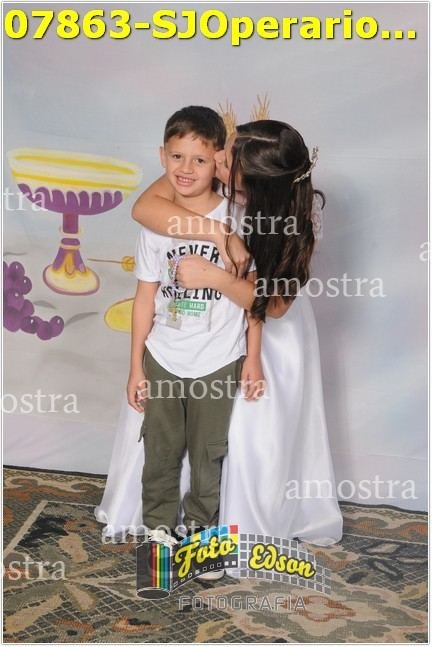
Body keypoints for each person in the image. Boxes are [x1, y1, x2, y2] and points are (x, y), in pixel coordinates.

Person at [95, 117, 343, 547]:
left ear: (255, 185)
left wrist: (217, 278)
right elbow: (145, 209)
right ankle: (161, 519)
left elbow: (274, 307)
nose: (216, 160)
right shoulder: (209, 170)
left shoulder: (296, 219)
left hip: (264, 324)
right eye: (224, 151)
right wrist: (219, 233)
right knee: (167, 434)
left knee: (241, 435)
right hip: (196, 326)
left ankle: (227, 524)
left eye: (225, 161)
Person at [119, 107, 263, 579]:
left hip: (219, 359)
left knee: (208, 454)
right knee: (160, 452)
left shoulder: (237, 219)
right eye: (176, 156)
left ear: (218, 160)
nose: (185, 168)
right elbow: (145, 297)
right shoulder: (155, 225)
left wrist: (252, 357)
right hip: (164, 356)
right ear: (161, 156)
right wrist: (136, 365)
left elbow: (253, 299)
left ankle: (202, 535)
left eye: (199, 160)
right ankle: (158, 533)